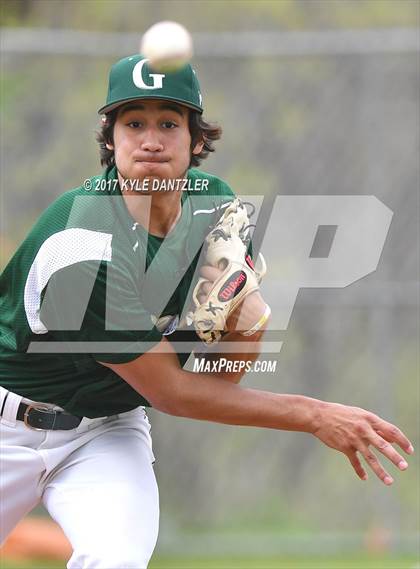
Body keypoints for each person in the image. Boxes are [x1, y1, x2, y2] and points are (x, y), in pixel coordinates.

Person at [0, 54, 413, 569]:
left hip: (105, 431)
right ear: (110, 139)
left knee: (116, 560)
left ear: (198, 140)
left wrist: (249, 318)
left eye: (169, 124)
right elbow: (171, 392)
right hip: (7, 423)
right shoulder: (83, 245)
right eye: (134, 123)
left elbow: (224, 377)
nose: (151, 139)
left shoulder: (217, 207)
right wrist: (314, 415)